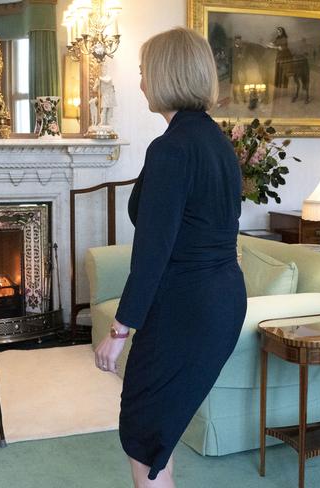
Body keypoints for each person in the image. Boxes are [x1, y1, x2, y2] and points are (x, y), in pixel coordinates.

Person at [94, 27, 247, 487]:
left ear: (165, 75)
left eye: (143, 72)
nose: (140, 82)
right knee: (161, 425)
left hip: (187, 306)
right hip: (220, 299)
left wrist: (119, 331)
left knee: (144, 428)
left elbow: (151, 255)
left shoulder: (173, 148)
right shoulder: (217, 142)